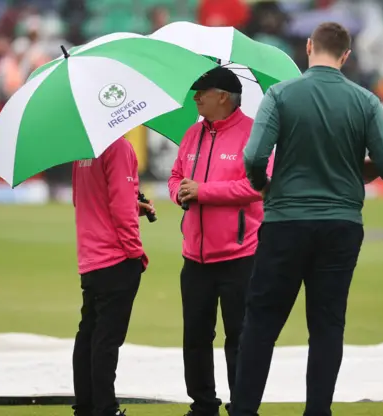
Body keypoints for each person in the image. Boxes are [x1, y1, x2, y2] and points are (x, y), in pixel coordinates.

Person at [229, 22, 383, 416]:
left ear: (309, 47)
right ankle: (317, 411)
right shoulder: (365, 101)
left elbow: (254, 156)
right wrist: (360, 169)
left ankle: (244, 410)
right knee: (326, 324)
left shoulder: (281, 94)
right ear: (346, 55)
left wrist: (264, 185)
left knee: (261, 323)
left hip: (286, 219)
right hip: (341, 223)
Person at [168, 66, 274, 416]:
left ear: (223, 97)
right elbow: (176, 176)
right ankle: (202, 405)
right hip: (194, 256)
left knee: (240, 338)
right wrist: (179, 193)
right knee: (195, 337)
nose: (195, 97)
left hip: (240, 255)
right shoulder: (191, 134)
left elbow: (258, 186)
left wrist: (204, 192)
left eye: (202, 91)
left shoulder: (253, 135)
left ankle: (242, 406)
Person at [71, 137, 156, 416]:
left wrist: (134, 205)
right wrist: (135, 252)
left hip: (90, 257)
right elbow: (120, 206)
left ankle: (85, 406)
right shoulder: (118, 146)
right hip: (115, 258)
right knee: (107, 340)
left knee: (89, 335)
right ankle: (106, 409)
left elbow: (82, 200)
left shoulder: (82, 149)